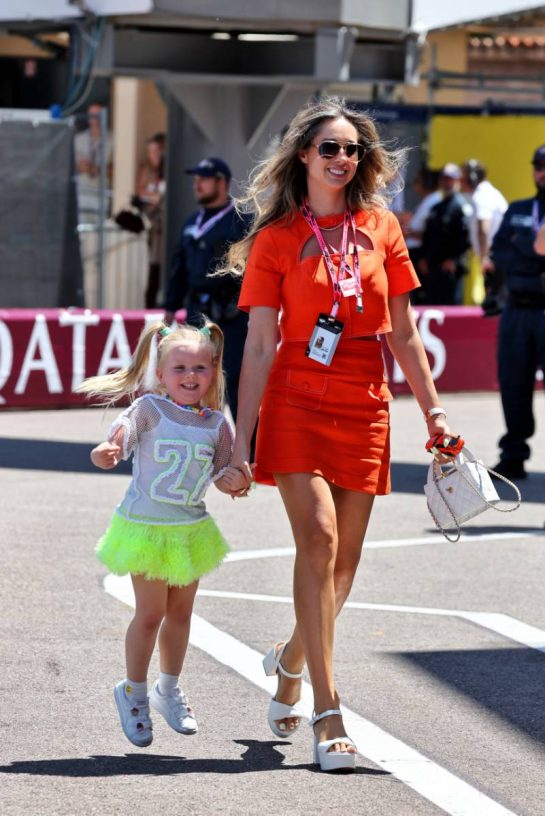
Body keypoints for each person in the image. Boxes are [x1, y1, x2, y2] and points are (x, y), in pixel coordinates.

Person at [224, 96, 458, 772]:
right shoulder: (274, 240)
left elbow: (405, 334)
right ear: (303, 156)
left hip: (364, 397)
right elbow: (261, 344)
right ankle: (328, 716)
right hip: (296, 395)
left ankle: (291, 656)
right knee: (319, 539)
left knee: (345, 566)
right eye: (328, 147)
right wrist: (243, 441)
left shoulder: (382, 227)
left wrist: (434, 414)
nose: (341, 158)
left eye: (351, 149)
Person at [77, 321, 247, 747]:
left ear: (214, 371)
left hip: (189, 530)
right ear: (161, 373)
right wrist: (105, 453)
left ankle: (167, 689)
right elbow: (119, 441)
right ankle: (133, 691)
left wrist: (235, 481)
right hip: (147, 530)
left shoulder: (217, 425)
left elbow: (226, 470)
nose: (191, 377)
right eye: (181, 368)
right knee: (150, 613)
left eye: (201, 368)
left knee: (182, 615)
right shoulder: (149, 409)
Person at [164, 157, 249, 421]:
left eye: (204, 178)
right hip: (197, 314)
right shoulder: (192, 222)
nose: (197, 184)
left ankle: (246, 451)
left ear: (221, 183)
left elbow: (252, 269)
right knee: (196, 378)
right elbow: (179, 267)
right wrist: (170, 307)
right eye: (195, 178)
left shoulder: (242, 221)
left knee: (233, 378)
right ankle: (197, 444)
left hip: (231, 314)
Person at [488, 144, 545, 480]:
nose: (542, 171)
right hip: (516, 311)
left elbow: (513, 252)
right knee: (513, 384)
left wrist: (520, 249)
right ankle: (513, 454)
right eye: (538, 165)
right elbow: (499, 253)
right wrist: (533, 251)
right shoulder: (519, 208)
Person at [419, 163, 471, 305]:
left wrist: (455, 260)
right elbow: (428, 235)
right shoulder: (436, 207)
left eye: (450, 179)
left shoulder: (460, 207)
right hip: (433, 268)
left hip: (450, 271)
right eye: (444, 179)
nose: (447, 182)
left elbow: (465, 238)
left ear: (457, 181)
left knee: (451, 308)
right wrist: (424, 257)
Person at [461, 160, 507, 306]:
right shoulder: (490, 193)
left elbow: (484, 229)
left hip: (495, 257)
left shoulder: (481, 196)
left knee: (494, 304)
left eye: (463, 177)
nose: (460, 182)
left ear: (472, 178)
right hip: (498, 256)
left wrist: (485, 258)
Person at [136, 133, 167, 308]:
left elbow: (162, 198)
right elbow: (141, 192)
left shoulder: (166, 172)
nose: (152, 156)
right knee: (151, 269)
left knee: (160, 266)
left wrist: (155, 198)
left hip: (163, 228)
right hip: (151, 228)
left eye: (156, 151)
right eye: (150, 152)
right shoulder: (146, 170)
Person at [74, 103, 113, 223]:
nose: (94, 120)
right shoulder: (79, 139)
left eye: (98, 116)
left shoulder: (113, 139)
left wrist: (93, 168)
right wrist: (81, 167)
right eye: (92, 116)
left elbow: (115, 171)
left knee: (99, 237)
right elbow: (71, 167)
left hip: (101, 195)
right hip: (82, 193)